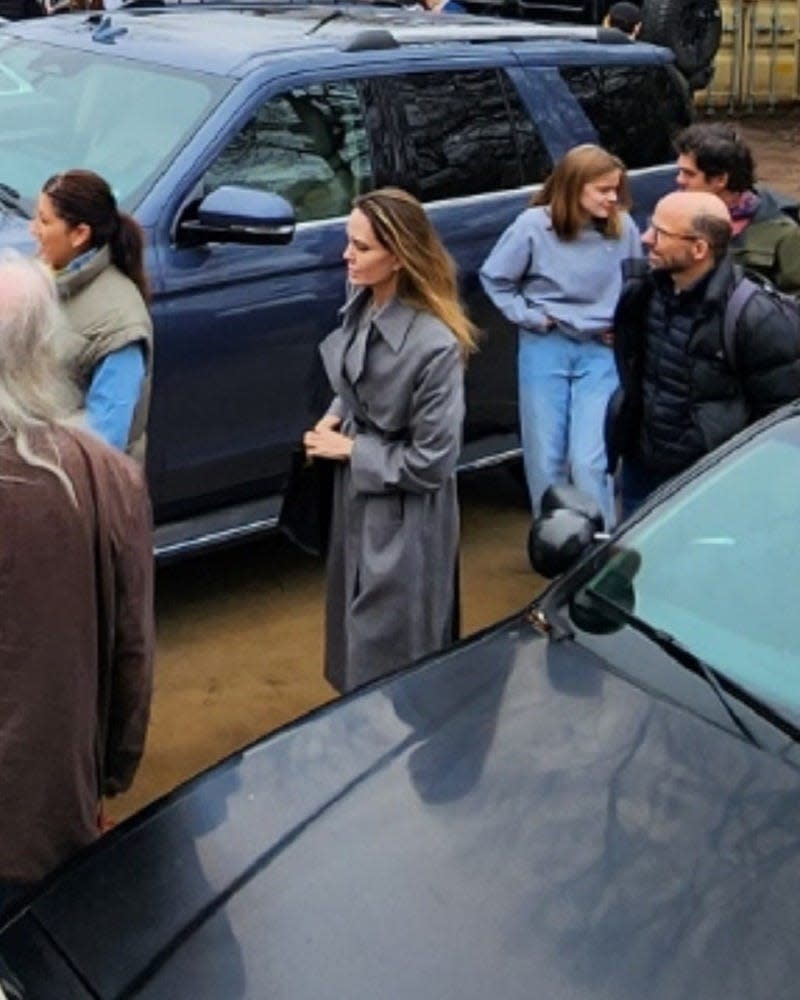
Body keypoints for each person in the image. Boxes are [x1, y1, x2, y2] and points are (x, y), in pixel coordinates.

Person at [0, 253, 154, 913]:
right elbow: (132, 653)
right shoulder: (101, 476)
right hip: (46, 815)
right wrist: (109, 773)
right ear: (45, 349)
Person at [303, 187, 476, 694]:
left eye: (361, 247)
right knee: (354, 631)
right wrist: (335, 418)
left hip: (405, 514)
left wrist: (352, 450)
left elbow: (433, 462)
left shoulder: (436, 347)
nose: (346, 255)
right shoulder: (362, 301)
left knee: (397, 644)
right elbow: (354, 382)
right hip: (355, 498)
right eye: (347, 241)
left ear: (398, 257)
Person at [480, 143, 643, 529]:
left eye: (616, 189)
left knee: (591, 458)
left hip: (600, 350)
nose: (612, 198)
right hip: (546, 347)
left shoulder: (624, 227)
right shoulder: (533, 226)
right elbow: (496, 278)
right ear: (574, 187)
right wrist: (532, 317)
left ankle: (600, 549)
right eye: (603, 189)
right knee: (545, 457)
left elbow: (638, 287)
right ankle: (552, 544)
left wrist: (624, 328)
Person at [608, 190, 800, 517]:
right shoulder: (641, 292)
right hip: (641, 472)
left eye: (661, 233)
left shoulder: (756, 317)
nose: (645, 238)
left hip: (711, 487)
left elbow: (780, 416)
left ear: (699, 249)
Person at [30, 169, 153, 461]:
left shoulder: (119, 324)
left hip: (78, 492)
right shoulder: (43, 278)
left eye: (44, 221)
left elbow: (105, 440)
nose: (32, 229)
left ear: (80, 234)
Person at [675, 122, 800, 296]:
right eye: (680, 172)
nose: (679, 180)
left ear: (720, 180)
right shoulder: (675, 219)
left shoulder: (783, 234)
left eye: (689, 174)